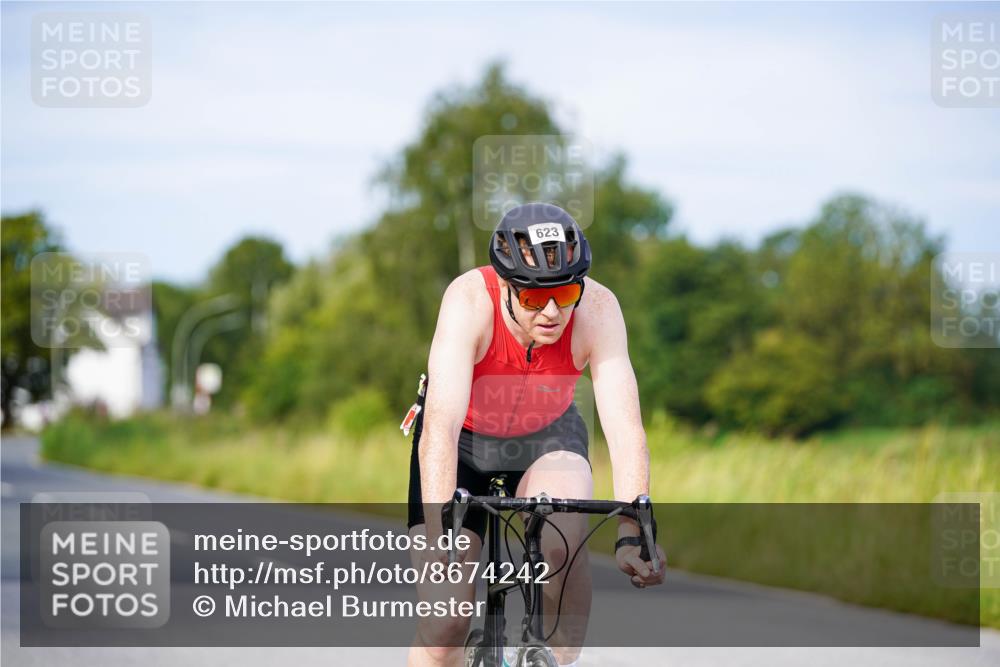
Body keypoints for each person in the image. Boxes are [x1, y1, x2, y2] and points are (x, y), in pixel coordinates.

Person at [406, 202, 665, 667]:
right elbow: (440, 428)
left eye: (565, 295)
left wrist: (633, 531)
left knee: (560, 543)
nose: (551, 312)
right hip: (462, 441)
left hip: (548, 434)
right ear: (505, 286)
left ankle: (556, 659)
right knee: (445, 621)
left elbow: (626, 429)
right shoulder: (468, 301)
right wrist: (440, 536)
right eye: (532, 298)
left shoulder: (600, 309)